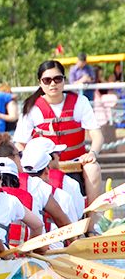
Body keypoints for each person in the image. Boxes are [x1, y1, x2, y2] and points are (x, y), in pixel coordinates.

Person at [14, 59, 103, 229]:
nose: (52, 84)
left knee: (93, 168)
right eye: (47, 80)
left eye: (57, 79)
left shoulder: (80, 102)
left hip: (76, 160)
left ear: (64, 80)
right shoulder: (32, 107)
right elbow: (20, 143)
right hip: (45, 164)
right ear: (40, 83)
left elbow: (97, 134)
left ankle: (90, 225)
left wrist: (92, 153)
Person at [0, 132, 72, 233]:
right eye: (19, 154)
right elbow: (62, 221)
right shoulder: (36, 185)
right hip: (32, 246)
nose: (21, 158)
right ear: (9, 159)